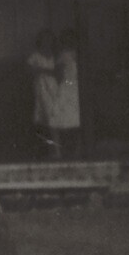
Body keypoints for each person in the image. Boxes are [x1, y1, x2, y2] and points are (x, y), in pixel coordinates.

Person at [26, 29, 61, 159]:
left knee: (55, 117)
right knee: (46, 117)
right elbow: (29, 70)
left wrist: (42, 70)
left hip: (54, 87)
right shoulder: (35, 56)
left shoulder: (55, 55)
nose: (47, 42)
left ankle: (56, 150)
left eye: (49, 39)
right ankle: (52, 150)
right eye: (44, 39)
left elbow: (59, 72)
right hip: (41, 87)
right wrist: (46, 71)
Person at [50, 28, 82, 159]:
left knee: (78, 119)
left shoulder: (80, 54)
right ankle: (58, 152)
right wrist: (67, 82)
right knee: (57, 120)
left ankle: (77, 151)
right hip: (66, 87)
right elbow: (58, 74)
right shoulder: (63, 55)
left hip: (77, 87)